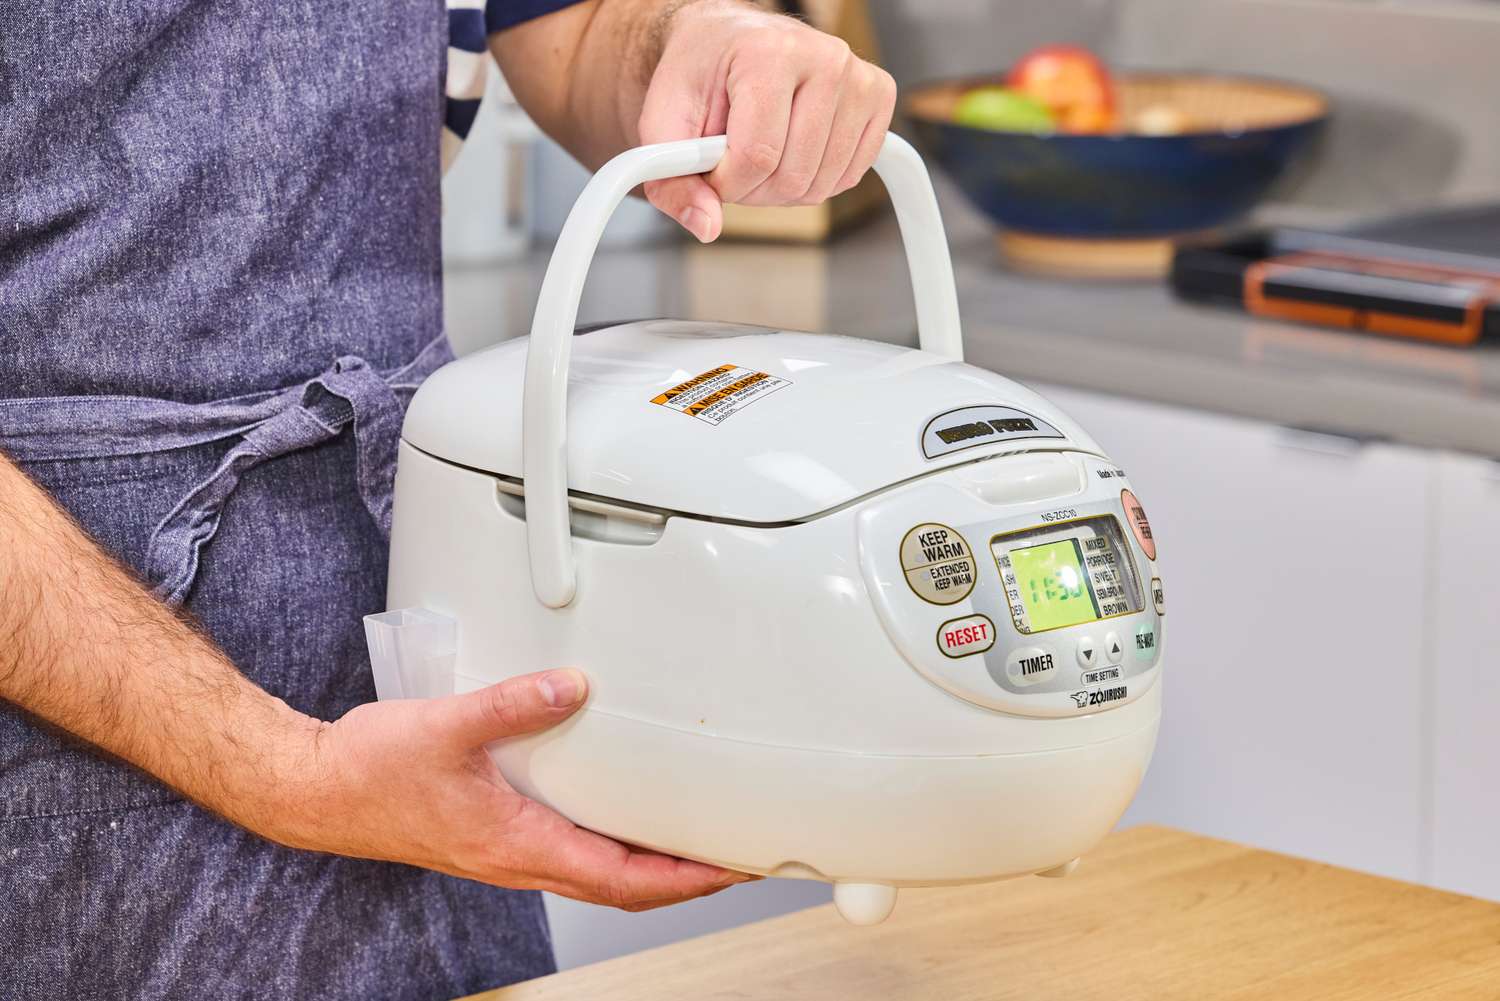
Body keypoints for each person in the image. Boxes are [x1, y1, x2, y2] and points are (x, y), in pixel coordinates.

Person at [0, 0, 896, 997]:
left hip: (417, 687)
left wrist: (689, 50)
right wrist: (285, 768)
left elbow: (576, 29)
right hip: (68, 734)